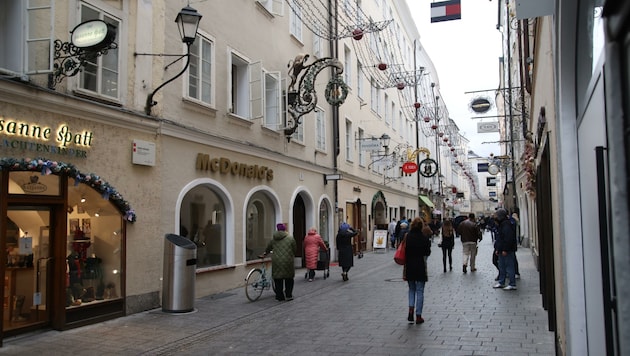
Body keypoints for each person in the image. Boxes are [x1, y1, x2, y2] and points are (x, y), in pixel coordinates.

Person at [403, 217, 432, 324]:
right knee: (420, 291)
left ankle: (410, 311)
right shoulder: (424, 238)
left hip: (409, 266)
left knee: (411, 289)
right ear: (421, 226)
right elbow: (427, 252)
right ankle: (418, 315)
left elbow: (404, 251)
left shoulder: (408, 236)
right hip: (420, 266)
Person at [264, 223, 297, 301]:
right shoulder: (290, 238)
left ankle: (279, 296)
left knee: (278, 279)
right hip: (288, 261)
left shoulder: (273, 239)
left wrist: (265, 253)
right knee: (289, 279)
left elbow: (268, 248)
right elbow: (294, 249)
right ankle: (288, 295)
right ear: (284, 229)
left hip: (277, 261)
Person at [493, 208, 518, 290]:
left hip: (507, 250)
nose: (495, 217)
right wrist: (498, 249)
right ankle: (501, 281)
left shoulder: (506, 225)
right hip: (501, 249)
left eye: (497, 215)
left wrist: (505, 249)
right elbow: (499, 238)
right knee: (502, 266)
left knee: (509, 266)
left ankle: (512, 283)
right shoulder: (502, 224)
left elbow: (508, 238)